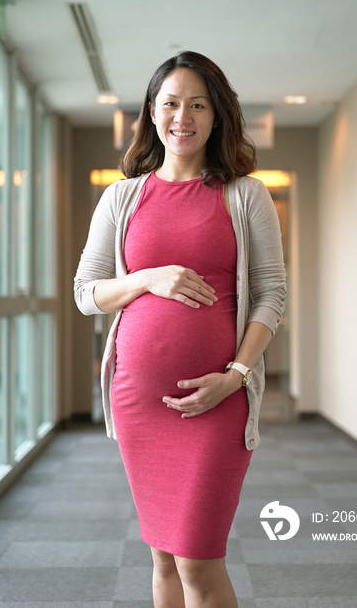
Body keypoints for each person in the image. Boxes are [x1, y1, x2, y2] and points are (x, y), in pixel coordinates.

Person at [74, 51, 286, 608]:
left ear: (217, 116)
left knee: (197, 558)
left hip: (217, 400)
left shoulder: (247, 195)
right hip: (140, 402)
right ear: (152, 112)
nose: (182, 116)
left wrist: (236, 376)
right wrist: (148, 277)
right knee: (163, 556)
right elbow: (87, 293)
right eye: (171, 103)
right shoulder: (122, 197)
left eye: (198, 104)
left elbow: (271, 296)